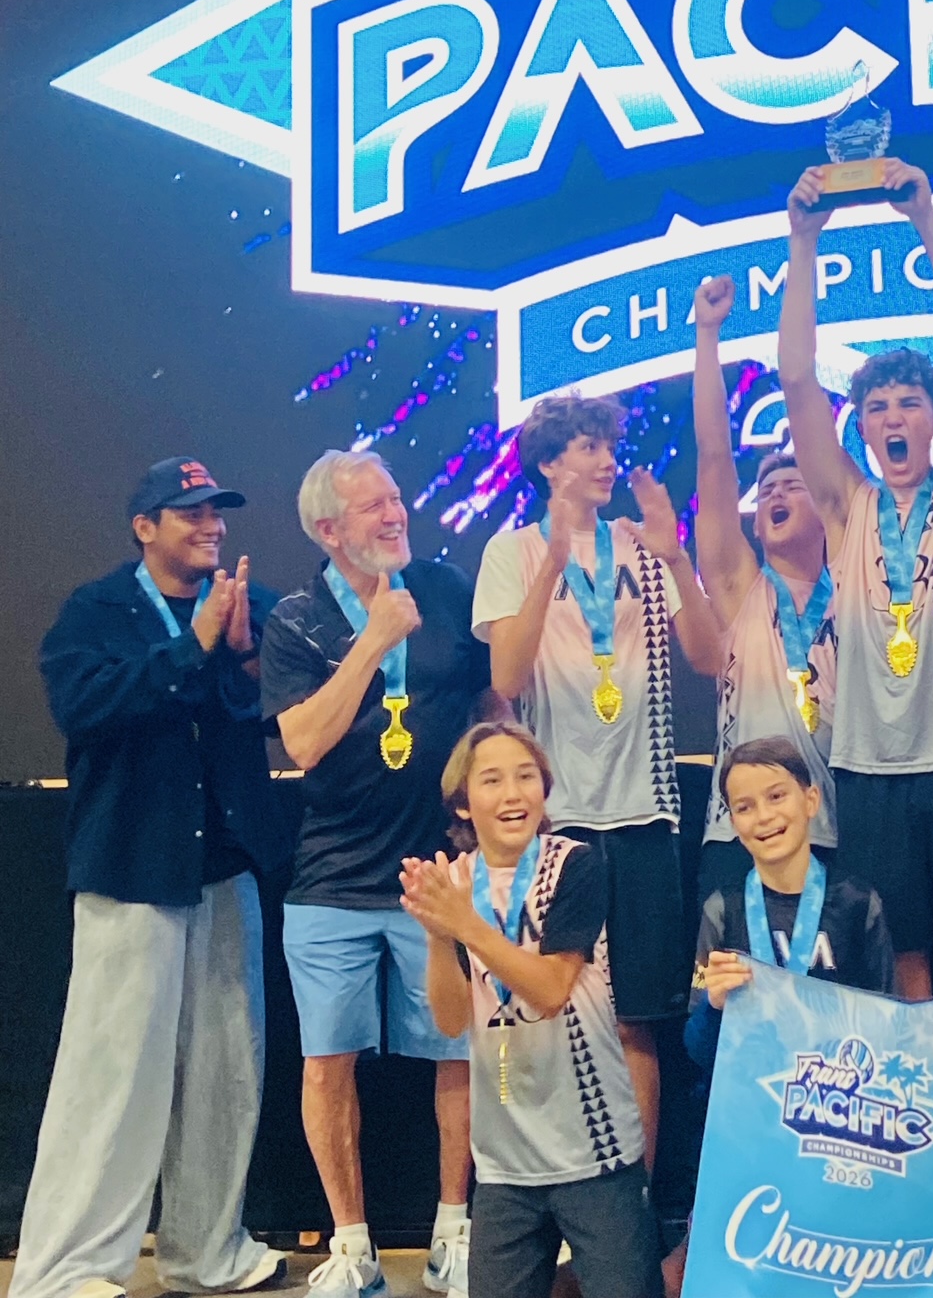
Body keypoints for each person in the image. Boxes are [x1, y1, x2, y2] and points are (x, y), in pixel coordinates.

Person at [16, 457, 289, 1298]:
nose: (211, 527)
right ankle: (68, 1271)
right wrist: (194, 646)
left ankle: (206, 1254)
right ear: (145, 526)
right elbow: (86, 711)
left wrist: (242, 661)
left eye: (217, 514)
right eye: (191, 513)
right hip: (132, 869)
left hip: (225, 869)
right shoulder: (95, 611)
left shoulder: (253, 608)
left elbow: (274, 721)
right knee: (113, 1077)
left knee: (224, 1074)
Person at [472, 393, 724, 1176]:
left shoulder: (643, 547)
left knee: (636, 1024)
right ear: (549, 464)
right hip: (555, 824)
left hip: (646, 813)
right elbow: (506, 679)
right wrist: (552, 557)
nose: (607, 460)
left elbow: (711, 658)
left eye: (609, 445)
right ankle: (557, 1194)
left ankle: (634, 1210)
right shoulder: (510, 551)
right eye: (587, 447)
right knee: (554, 1016)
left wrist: (675, 553)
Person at [260, 450, 489, 1298]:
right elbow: (305, 741)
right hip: (330, 876)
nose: (396, 514)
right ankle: (351, 1249)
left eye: (397, 497)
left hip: (435, 865)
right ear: (329, 529)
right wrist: (374, 644)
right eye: (373, 507)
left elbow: (488, 701)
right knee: (327, 1061)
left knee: (458, 1051)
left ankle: (453, 1235)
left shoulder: (444, 585)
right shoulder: (297, 620)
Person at [779, 158, 933, 998]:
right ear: (863, 430)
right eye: (877, 408)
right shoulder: (847, 505)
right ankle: (932, 1120)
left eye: (909, 403)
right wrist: (803, 244)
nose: (892, 418)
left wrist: (928, 224)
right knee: (903, 960)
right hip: (870, 766)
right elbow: (797, 379)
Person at [400, 721, 661, 1298]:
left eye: (526, 777)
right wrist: (438, 935)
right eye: (491, 780)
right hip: (505, 1161)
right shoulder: (455, 882)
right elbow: (448, 1021)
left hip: (593, 1149)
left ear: (545, 791)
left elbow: (549, 988)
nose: (513, 793)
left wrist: (464, 924)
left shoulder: (576, 864)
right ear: (464, 804)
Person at [691, 273, 837, 899]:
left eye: (792, 485)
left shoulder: (863, 592)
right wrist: (706, 336)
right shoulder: (741, 589)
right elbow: (715, 461)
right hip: (740, 833)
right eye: (767, 490)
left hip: (837, 824)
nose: (774, 495)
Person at [686, 736, 894, 1074]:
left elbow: (889, 1025)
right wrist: (714, 1006)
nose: (764, 816)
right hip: (755, 1101)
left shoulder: (858, 904)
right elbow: (697, 1050)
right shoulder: (723, 910)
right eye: (744, 807)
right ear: (734, 824)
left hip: (841, 1098)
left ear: (811, 800)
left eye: (776, 796)